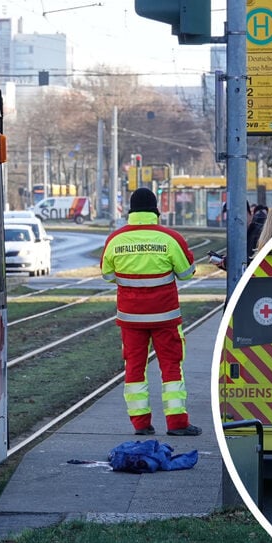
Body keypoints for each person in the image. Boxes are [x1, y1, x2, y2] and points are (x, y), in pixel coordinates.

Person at [101, 187, 201, 436]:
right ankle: (177, 423)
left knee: (134, 367)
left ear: (130, 211)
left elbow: (107, 275)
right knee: (171, 367)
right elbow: (187, 273)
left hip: (130, 318)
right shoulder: (170, 238)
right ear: (156, 210)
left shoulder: (116, 240)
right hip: (165, 317)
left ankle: (141, 424)